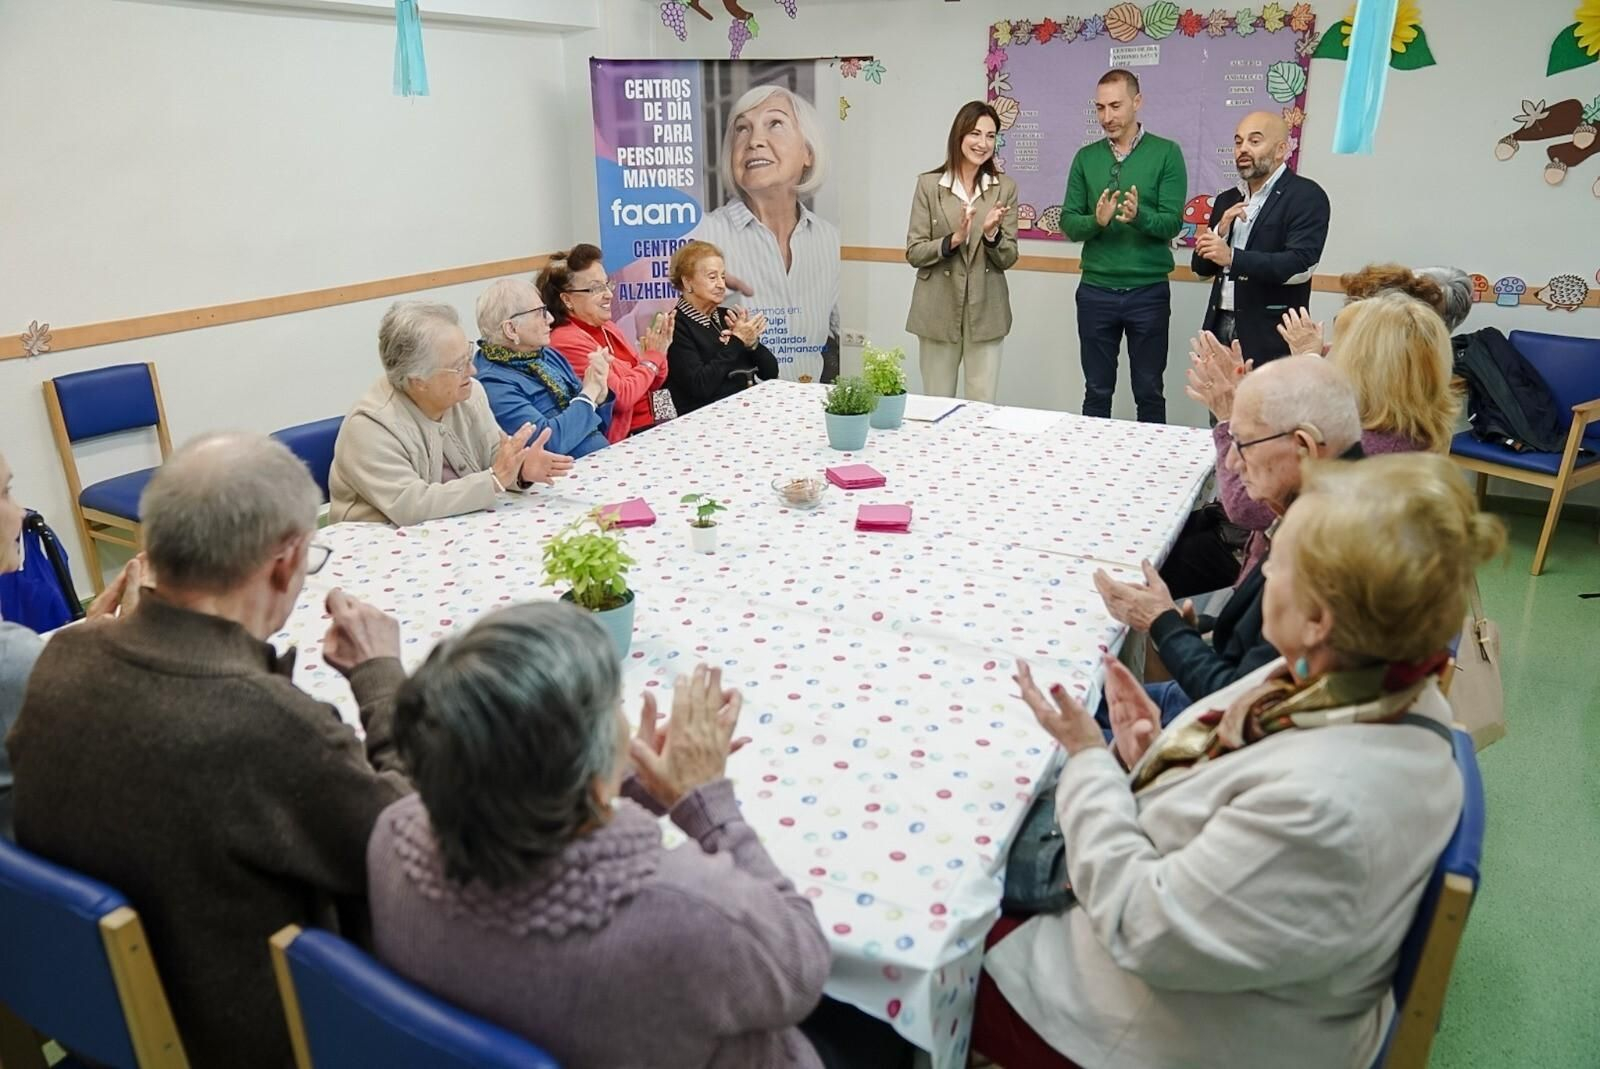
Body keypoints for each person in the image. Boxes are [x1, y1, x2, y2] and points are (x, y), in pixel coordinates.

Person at [978, 451, 1501, 1069]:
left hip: (1163, 1023)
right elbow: (1242, 780)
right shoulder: (1363, 679)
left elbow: (1141, 927)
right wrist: (1154, 752)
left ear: (1318, 619)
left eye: (1279, 564)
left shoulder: (1326, 805)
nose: (1263, 572)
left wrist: (1092, 762)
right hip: (1224, 963)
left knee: (926, 932)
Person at [7, 433, 413, 1068]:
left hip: (93, 1012)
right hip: (256, 1038)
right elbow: (410, 847)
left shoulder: (61, 658)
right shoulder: (266, 723)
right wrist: (381, 678)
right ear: (285, 561)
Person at [367, 606, 831, 1068]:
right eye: (614, 709)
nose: (623, 727)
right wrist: (705, 802)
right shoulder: (690, 912)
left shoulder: (392, 840)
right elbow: (803, 968)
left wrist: (619, 784)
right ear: (586, 777)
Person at [1096, 356, 1364, 712]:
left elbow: (1240, 697)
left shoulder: (1325, 547)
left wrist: (1163, 623)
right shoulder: (1336, 503)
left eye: (1244, 444)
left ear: (1304, 446)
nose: (1233, 463)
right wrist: (1178, 627)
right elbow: (1256, 648)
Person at [330, 300, 574, 526]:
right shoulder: (370, 426)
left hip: (457, 529)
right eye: (459, 366)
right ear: (418, 380)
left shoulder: (469, 394)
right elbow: (410, 505)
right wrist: (493, 480)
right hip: (379, 542)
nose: (473, 370)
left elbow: (494, 456)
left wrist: (521, 468)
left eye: (468, 356)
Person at [691, 84, 840, 384]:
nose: (754, 140)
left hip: (810, 403)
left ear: (808, 152)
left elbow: (845, 333)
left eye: (775, 123)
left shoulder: (830, 239)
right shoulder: (702, 235)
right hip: (734, 406)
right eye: (742, 129)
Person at [1063, 69, 1187, 423]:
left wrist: (1138, 217)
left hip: (1148, 292)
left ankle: (1153, 459)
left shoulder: (1167, 153)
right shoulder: (1085, 158)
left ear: (1137, 102)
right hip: (1096, 290)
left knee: (1149, 391)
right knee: (1096, 391)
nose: (1107, 117)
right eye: (1100, 108)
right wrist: (1096, 221)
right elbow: (1069, 223)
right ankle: (1091, 457)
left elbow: (1172, 223)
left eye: (1115, 106)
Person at [904, 100, 1021, 403]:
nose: (983, 143)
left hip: (987, 310)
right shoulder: (929, 185)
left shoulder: (1004, 188)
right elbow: (914, 251)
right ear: (959, 135)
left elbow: (1008, 256)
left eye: (991, 136)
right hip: (937, 310)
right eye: (975, 134)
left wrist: (991, 235)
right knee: (937, 403)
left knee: (981, 404)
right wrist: (954, 239)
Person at [1192, 111, 1331, 365]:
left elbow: (1301, 266)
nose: (1243, 149)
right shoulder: (1227, 199)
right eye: (1238, 142)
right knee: (1215, 392)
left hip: (1270, 329)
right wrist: (1219, 232)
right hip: (1219, 322)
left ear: (1281, 150)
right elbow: (1200, 270)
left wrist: (1232, 258)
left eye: (1254, 141)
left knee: (1265, 393)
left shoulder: (1306, 195)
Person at [473, 278, 615, 459]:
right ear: (511, 329)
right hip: (566, 473)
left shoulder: (546, 355)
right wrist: (589, 393)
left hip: (600, 459)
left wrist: (600, 396)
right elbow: (547, 444)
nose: (550, 318)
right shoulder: (493, 383)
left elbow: (596, 427)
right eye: (540, 313)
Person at [543, 245, 674, 442]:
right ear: (567, 299)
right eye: (596, 288)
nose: (609, 294)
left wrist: (657, 354)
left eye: (607, 284)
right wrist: (651, 359)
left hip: (658, 418)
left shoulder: (607, 326)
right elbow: (622, 398)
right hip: (626, 437)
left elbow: (653, 382)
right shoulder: (565, 341)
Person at [665, 240, 780, 415]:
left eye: (723, 277)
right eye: (712, 277)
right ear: (687, 282)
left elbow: (770, 372)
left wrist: (752, 344)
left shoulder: (727, 316)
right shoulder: (675, 326)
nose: (721, 284)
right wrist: (736, 341)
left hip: (747, 411)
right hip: (706, 419)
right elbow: (700, 386)